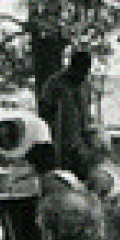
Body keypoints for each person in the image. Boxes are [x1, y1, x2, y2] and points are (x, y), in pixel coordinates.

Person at [38, 50, 106, 178]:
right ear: (72, 66)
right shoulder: (55, 84)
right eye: (81, 70)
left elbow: (86, 114)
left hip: (79, 147)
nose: (83, 74)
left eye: (86, 70)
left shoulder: (85, 86)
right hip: (59, 146)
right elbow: (43, 114)